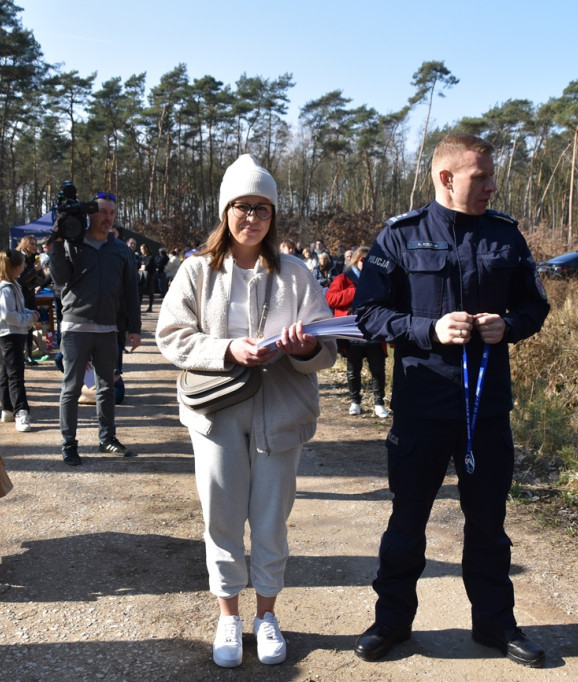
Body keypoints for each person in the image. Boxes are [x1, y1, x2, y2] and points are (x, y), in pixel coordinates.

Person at [351, 134, 551, 668]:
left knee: (487, 522)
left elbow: (535, 308)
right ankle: (392, 621)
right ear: (446, 178)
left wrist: (507, 325)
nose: (492, 185)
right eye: (480, 176)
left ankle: (494, 624)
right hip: (422, 406)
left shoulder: (505, 235)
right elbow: (368, 315)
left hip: (485, 410)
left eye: (491, 176)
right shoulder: (400, 236)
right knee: (407, 520)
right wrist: (428, 328)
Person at [157, 154, 336, 669]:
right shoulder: (195, 271)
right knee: (222, 515)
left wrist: (302, 349)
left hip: (280, 412)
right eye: (242, 206)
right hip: (215, 414)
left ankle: (267, 615)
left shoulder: (297, 274)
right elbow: (171, 337)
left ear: (273, 216)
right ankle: (228, 615)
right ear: (225, 211)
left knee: (271, 519)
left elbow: (326, 347)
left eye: (262, 208)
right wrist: (228, 350)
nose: (252, 217)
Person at [50, 192, 141, 465]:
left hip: (107, 329)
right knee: (71, 388)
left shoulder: (120, 249)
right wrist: (57, 243)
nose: (108, 217)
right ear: (89, 214)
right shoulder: (71, 244)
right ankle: (69, 445)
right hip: (75, 328)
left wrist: (134, 328)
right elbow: (59, 277)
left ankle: (107, 439)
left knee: (106, 388)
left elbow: (130, 290)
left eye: (111, 213)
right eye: (103, 212)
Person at [326, 246, 390, 418]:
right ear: (355, 260)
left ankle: (379, 403)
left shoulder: (378, 278)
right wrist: (355, 292)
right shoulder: (343, 278)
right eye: (363, 260)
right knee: (353, 369)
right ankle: (355, 402)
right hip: (352, 330)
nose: (367, 263)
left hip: (374, 330)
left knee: (377, 368)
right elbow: (330, 299)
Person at [0, 249, 39, 432]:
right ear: (16, 267)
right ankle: (21, 411)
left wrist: (29, 313)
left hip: (14, 332)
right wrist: (27, 319)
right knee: (16, 374)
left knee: (6, 371)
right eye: (23, 264)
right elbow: (7, 315)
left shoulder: (13, 284)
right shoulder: (4, 289)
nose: (25, 267)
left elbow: (17, 309)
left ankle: (7, 408)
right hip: (9, 334)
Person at [17, 234, 45, 365]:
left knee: (30, 324)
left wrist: (33, 279)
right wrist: (34, 273)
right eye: (32, 244)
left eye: (35, 244)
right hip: (20, 294)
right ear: (25, 244)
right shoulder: (19, 257)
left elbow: (42, 278)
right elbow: (21, 279)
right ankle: (20, 354)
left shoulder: (35, 258)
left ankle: (29, 354)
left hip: (30, 293)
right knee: (20, 324)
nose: (35, 247)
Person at [139, 242, 158, 312]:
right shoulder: (141, 257)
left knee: (150, 292)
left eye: (142, 249)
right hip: (142, 276)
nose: (141, 251)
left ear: (146, 249)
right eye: (140, 249)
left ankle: (150, 307)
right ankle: (139, 306)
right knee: (140, 292)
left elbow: (147, 266)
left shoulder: (151, 257)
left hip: (150, 276)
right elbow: (141, 266)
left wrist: (144, 267)